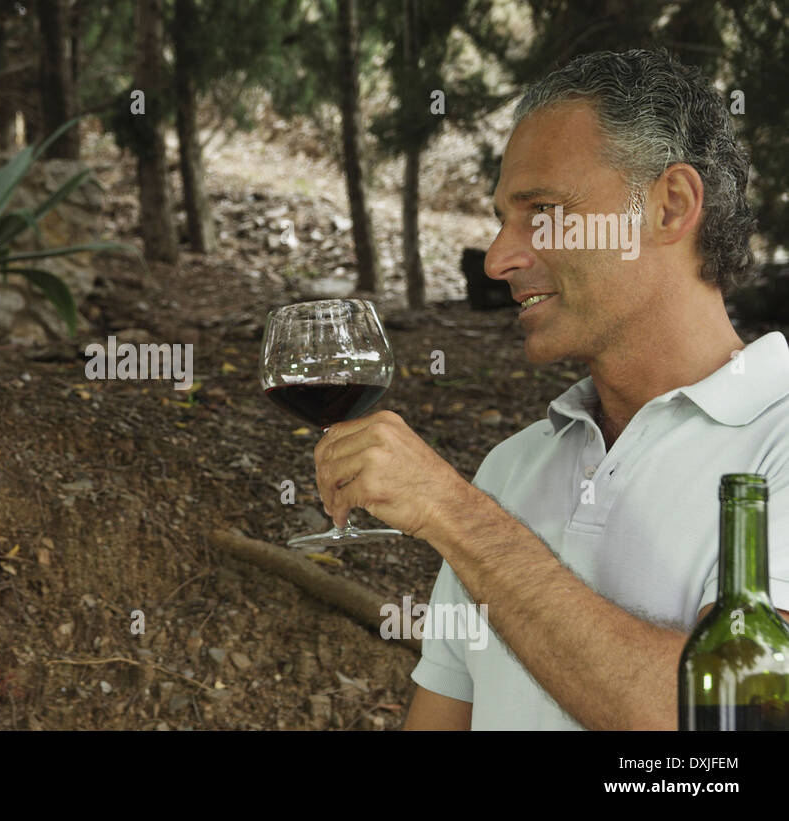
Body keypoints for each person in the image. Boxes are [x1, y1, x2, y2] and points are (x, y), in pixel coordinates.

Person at [312, 49, 789, 730]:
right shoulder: (510, 469)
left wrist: (456, 514)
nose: (500, 258)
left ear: (670, 205)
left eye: (542, 210)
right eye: (505, 217)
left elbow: (725, 724)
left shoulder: (779, 440)